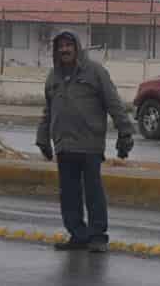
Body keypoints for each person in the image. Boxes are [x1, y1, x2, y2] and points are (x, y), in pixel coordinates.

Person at [36, 29, 133, 250]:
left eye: (69, 45)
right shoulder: (53, 76)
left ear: (77, 47)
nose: (65, 49)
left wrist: (125, 132)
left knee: (93, 192)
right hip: (64, 145)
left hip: (89, 143)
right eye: (60, 46)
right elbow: (48, 110)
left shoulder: (95, 72)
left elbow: (113, 103)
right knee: (69, 194)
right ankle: (77, 235)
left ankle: (98, 236)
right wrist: (42, 138)